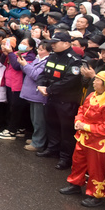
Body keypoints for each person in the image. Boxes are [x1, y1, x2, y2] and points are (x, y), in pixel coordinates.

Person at [58, 71, 105, 207]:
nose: (94, 82)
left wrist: (85, 126)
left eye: (97, 80)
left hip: (98, 142)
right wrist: (78, 120)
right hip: (84, 138)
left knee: (96, 169)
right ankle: (75, 184)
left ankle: (96, 195)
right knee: (77, 162)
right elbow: (82, 109)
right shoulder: (92, 96)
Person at [37, 31, 85, 169]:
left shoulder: (74, 60)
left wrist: (50, 89)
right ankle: (52, 149)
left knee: (66, 130)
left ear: (66, 43)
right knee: (52, 125)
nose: (52, 46)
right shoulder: (52, 56)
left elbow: (70, 80)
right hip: (52, 98)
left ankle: (65, 157)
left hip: (66, 100)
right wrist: (41, 85)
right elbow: (43, 73)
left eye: (55, 43)